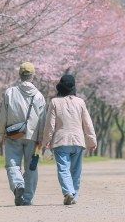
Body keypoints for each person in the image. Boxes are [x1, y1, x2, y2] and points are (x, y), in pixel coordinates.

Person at [41, 74, 97, 206]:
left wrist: (46, 141)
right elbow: (88, 123)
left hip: (61, 141)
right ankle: (74, 195)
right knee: (76, 171)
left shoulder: (55, 102)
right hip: (78, 141)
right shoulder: (80, 102)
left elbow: (50, 124)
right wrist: (92, 141)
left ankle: (68, 193)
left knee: (63, 169)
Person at [0, 62, 46, 206]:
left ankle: (18, 185)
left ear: (20, 75)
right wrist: (41, 139)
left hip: (13, 134)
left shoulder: (10, 92)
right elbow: (42, 119)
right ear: (33, 76)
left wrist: (2, 132)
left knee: (12, 164)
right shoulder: (39, 96)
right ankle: (27, 198)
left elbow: (3, 115)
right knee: (31, 167)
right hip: (33, 137)